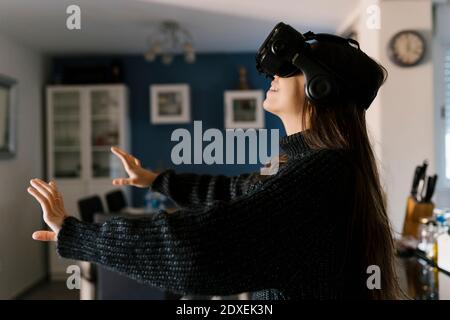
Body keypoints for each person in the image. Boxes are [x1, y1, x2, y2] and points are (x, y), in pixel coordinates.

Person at [27, 34, 400, 300]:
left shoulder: (322, 173)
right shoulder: (296, 162)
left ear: (320, 87)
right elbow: (234, 190)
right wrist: (159, 180)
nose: (274, 74)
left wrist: (76, 235)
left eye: (290, 69)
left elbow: (195, 248)